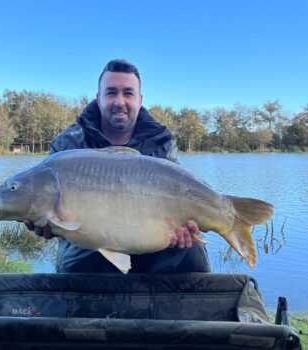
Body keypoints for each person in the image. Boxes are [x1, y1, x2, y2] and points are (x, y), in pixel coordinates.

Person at [25, 59, 210, 273]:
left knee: (192, 250)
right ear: (99, 98)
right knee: (77, 260)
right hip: (86, 244)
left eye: (128, 93)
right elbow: (54, 213)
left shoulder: (161, 142)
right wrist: (48, 225)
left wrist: (186, 231)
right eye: (111, 92)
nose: (119, 101)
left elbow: (180, 197)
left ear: (140, 100)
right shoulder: (69, 144)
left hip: (152, 239)